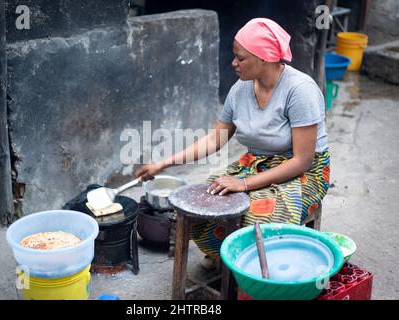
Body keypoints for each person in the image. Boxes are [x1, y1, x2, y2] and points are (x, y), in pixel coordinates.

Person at [135, 18, 330, 268]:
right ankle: (228, 258)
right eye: (234, 56)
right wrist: (163, 164)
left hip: (304, 173)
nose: (233, 63)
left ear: (264, 57)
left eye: (241, 58)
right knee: (199, 200)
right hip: (258, 164)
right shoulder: (240, 89)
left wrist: (244, 184)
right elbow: (215, 138)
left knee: (259, 215)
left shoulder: (300, 90)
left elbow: (302, 160)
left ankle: (257, 274)